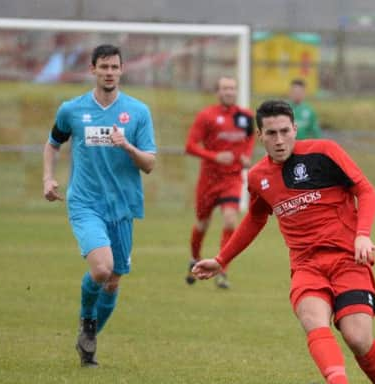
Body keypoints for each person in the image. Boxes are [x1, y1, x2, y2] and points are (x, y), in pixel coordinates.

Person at [192, 100, 375, 384]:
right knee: (312, 318)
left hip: (349, 259)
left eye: (285, 132)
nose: (279, 140)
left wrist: (363, 234)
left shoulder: (324, 152)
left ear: (295, 130)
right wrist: (222, 259)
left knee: (358, 338)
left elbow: (367, 190)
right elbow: (255, 219)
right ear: (260, 135)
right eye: (271, 133)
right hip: (306, 266)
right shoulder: (260, 176)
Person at [42, 44, 156, 367]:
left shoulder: (138, 112)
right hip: (85, 203)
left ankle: (88, 338)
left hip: (121, 207)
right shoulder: (72, 110)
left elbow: (149, 164)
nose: (109, 73)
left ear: (122, 70)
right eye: (103, 67)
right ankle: (87, 320)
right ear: (92, 69)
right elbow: (52, 145)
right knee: (102, 268)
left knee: (115, 278)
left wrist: (128, 147)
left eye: (114, 67)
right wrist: (48, 179)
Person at [184, 76, 255, 289]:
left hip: (232, 178)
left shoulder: (245, 117)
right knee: (202, 224)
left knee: (231, 221)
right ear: (218, 92)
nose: (229, 92)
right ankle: (194, 258)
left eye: (232, 88)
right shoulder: (207, 116)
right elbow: (190, 145)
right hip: (208, 179)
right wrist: (214, 156)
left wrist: (246, 156)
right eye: (225, 88)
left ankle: (222, 270)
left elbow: (250, 138)